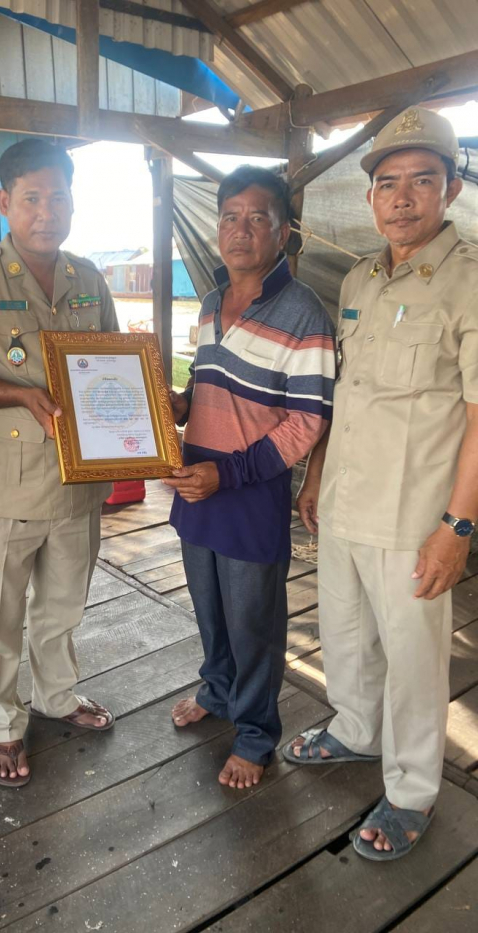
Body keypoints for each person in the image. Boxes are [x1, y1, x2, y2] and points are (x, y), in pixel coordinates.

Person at [284, 107, 478, 861]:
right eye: (387, 183)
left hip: (413, 518)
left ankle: (411, 789)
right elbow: (348, 392)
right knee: (344, 633)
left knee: (413, 660)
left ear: (451, 189)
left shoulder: (469, 281)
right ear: (369, 198)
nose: (402, 198)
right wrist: (316, 474)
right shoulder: (361, 277)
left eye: (421, 180)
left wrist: (457, 527)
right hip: (343, 500)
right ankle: (357, 729)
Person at [0, 138, 119, 788]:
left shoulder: (88, 278)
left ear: (72, 202)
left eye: (58, 197)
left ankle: (56, 696)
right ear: (5, 201)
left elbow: (115, 365)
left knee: (64, 603)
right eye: (32, 198)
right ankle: (2, 722)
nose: (46, 211)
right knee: (0, 614)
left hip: (79, 479)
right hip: (10, 484)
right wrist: (19, 394)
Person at [164, 167, 336, 790]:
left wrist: (228, 471)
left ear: (283, 232)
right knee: (210, 610)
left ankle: (257, 735)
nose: (241, 230)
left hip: (249, 492)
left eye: (258, 218)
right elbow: (206, 385)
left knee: (254, 623)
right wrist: (178, 406)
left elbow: (308, 420)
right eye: (230, 217)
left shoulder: (304, 312)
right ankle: (217, 690)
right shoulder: (211, 302)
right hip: (197, 484)